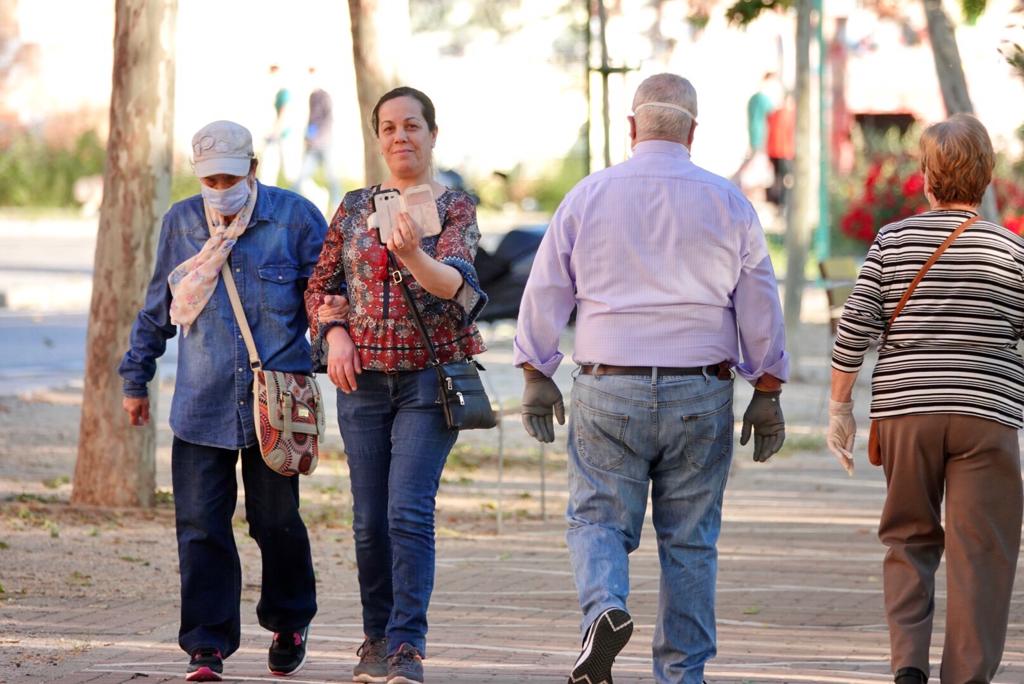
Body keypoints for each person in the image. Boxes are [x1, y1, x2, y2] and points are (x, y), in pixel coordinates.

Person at [513, 73, 789, 684]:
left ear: (632, 127)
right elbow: (760, 302)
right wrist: (766, 391)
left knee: (597, 519)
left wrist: (537, 370)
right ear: (693, 131)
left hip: (609, 385)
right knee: (690, 541)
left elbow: (547, 288)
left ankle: (605, 611)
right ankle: (682, 675)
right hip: (701, 389)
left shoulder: (588, 195)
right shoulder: (729, 202)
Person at [118, 120, 326, 682]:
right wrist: (135, 380)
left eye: (230, 176)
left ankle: (289, 621)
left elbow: (327, 300)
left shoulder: (295, 217)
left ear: (253, 169)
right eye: (209, 177)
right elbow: (158, 305)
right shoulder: (182, 223)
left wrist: (326, 357)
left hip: (275, 407)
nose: (220, 186)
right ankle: (206, 646)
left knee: (276, 521)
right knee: (200, 526)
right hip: (201, 403)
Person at [828, 114, 1024, 684]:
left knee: (909, 537)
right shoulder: (1011, 250)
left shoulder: (892, 241)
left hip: (906, 415)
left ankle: (908, 667)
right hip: (985, 417)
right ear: (986, 177)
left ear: (926, 175)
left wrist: (840, 409)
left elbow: (855, 329)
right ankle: (965, 677)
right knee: (981, 553)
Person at [304, 86, 487, 684]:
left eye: (412, 125)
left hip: (429, 384)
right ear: (377, 137)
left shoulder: (456, 206)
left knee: (408, 512)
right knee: (368, 518)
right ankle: (375, 638)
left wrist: (411, 254)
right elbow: (320, 284)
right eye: (388, 127)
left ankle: (408, 645)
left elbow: (454, 287)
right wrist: (334, 335)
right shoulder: (356, 207)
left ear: (433, 134)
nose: (400, 137)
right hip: (362, 384)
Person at [292, 66, 341, 211]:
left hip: (324, 143)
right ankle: (289, 201)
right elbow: (312, 120)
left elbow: (328, 119)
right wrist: (307, 137)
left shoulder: (324, 96)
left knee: (331, 176)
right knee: (302, 174)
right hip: (312, 145)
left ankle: (337, 204)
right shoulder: (312, 96)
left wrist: (318, 138)